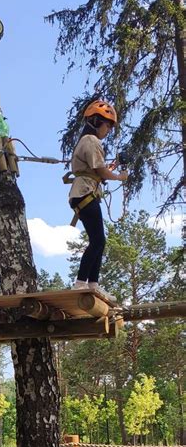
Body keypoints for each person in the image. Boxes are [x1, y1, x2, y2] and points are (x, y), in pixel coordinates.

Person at [68, 99, 128, 301]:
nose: (109, 130)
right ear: (96, 121)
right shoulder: (92, 141)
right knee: (98, 240)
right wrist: (119, 176)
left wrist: (109, 169)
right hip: (85, 193)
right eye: (107, 125)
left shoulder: (86, 141)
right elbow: (100, 170)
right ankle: (81, 283)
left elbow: (98, 171)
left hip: (83, 192)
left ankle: (92, 283)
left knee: (98, 241)